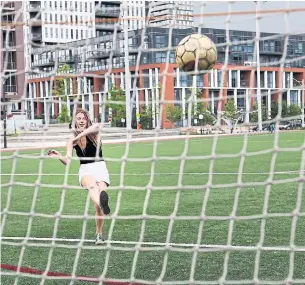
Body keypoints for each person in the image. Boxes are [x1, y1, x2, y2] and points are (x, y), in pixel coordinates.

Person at [47, 108, 110, 244]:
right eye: (78, 118)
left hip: (100, 167)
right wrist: (58, 156)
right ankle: (103, 203)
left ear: (87, 120)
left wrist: (77, 136)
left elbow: (97, 126)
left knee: (98, 204)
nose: (81, 120)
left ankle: (99, 233)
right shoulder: (71, 140)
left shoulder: (94, 132)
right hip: (86, 170)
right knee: (93, 188)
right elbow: (67, 161)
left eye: (83, 118)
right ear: (74, 121)